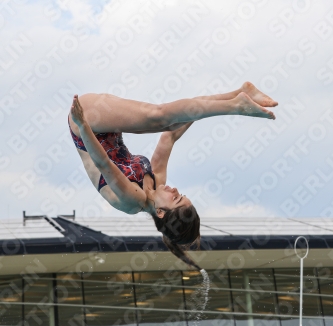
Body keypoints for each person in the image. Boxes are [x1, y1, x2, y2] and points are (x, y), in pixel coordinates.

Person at [69, 83, 277, 269]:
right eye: (181, 194)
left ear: (160, 212)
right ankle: (238, 95)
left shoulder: (131, 201)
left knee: (159, 117)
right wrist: (197, 113)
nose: (175, 190)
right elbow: (170, 137)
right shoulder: (157, 183)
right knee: (169, 122)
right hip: (105, 125)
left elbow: (103, 163)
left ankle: (237, 106)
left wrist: (82, 124)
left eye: (176, 199)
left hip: (86, 125)